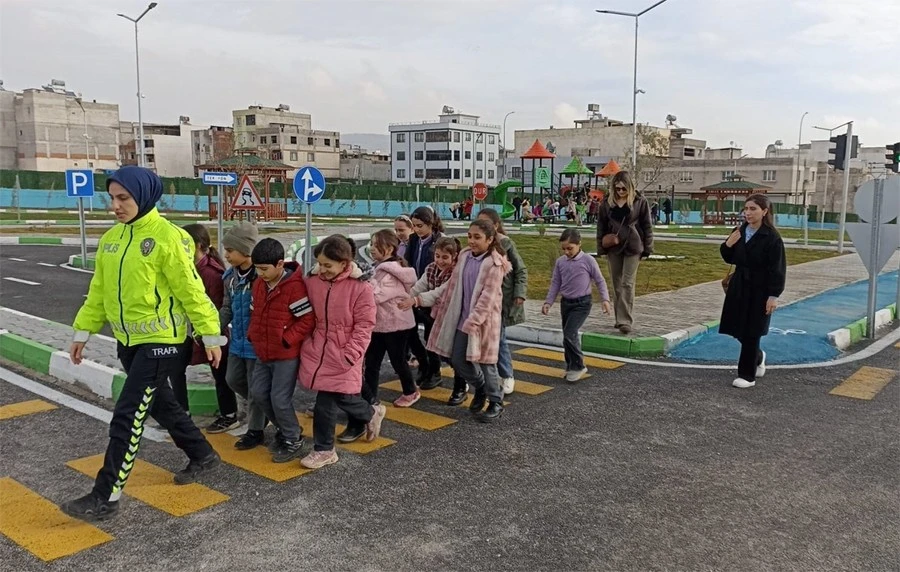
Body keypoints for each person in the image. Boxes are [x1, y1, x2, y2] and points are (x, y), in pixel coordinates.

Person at [62, 166, 225, 522]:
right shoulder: (112, 239)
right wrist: (82, 331)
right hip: (128, 341)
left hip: (163, 341)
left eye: (123, 198)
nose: (115, 206)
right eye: (112, 198)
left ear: (144, 196)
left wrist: (210, 334)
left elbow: (191, 290)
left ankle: (105, 497)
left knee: (128, 412)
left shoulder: (168, 237)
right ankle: (203, 454)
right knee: (161, 406)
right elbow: (99, 291)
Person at [299, 235, 386, 469]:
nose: (322, 269)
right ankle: (370, 413)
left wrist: (351, 353)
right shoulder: (312, 282)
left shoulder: (361, 288)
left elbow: (365, 325)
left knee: (325, 401)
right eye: (319, 264)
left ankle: (324, 450)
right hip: (318, 348)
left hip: (344, 351)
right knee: (341, 395)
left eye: (328, 265)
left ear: (344, 263)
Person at [427, 220, 510, 422]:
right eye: (470, 236)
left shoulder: (495, 263)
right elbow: (452, 286)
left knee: (487, 362)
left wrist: (474, 321)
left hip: (483, 322)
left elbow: (488, 297)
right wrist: (426, 299)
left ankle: (496, 401)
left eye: (477, 237)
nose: (472, 241)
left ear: (489, 239)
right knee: (457, 360)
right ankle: (481, 387)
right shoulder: (464, 256)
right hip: (462, 318)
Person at [246, 238, 315, 463]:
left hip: (285, 355)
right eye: (257, 269)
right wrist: (252, 335)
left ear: (279, 264)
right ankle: (286, 429)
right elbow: (255, 312)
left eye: (264, 269)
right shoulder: (259, 284)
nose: (260, 273)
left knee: (279, 399)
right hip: (263, 352)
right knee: (258, 393)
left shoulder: (294, 287)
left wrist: (287, 340)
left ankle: (292, 438)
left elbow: (307, 320)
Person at [719, 194, 786, 389]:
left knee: (752, 331)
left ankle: (747, 375)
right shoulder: (740, 231)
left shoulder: (772, 237)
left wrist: (773, 296)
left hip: (760, 289)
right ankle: (758, 356)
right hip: (739, 285)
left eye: (753, 209)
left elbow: (778, 269)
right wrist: (728, 244)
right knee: (736, 327)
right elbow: (729, 257)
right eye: (746, 209)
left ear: (764, 211)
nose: (747, 213)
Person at [181, 223, 238, 433]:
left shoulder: (211, 273)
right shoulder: (193, 268)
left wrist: (209, 334)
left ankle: (229, 415)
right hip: (197, 333)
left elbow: (218, 309)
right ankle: (182, 412)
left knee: (220, 375)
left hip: (213, 334)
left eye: (183, 243)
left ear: (197, 245)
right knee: (178, 369)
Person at [219, 222, 267, 450]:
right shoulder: (230, 277)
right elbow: (226, 307)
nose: (226, 255)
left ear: (246, 251)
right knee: (232, 379)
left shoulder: (261, 276)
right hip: (237, 341)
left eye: (230, 250)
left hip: (256, 344)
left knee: (256, 388)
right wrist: (213, 328)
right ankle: (263, 409)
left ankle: (255, 430)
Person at [542, 229, 612, 382]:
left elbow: (600, 280)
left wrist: (605, 300)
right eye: (564, 249)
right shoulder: (560, 262)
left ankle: (579, 365)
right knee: (567, 337)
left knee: (570, 333)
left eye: (570, 248)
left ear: (579, 244)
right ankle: (570, 365)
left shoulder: (588, 260)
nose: (567, 252)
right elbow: (556, 283)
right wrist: (548, 302)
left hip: (582, 303)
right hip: (566, 303)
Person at [362, 230, 418, 416]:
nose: (371, 248)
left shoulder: (391, 272)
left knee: (397, 361)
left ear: (388, 248)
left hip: (396, 324)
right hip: (380, 324)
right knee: (372, 363)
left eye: (375, 245)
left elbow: (375, 296)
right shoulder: (378, 267)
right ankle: (370, 399)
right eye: (371, 244)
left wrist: (364, 282)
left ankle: (411, 391)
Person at [476, 208, 527, 395]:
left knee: (499, 339)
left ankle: (507, 375)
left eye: (486, 223)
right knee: (482, 339)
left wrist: (519, 293)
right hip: (483, 299)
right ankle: (487, 376)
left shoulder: (505, 244)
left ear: (496, 225)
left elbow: (521, 270)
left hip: (501, 300)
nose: (481, 227)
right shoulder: (479, 243)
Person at [596, 171, 653, 335]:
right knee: (617, 283)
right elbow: (601, 226)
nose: (620, 192)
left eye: (623, 189)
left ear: (630, 187)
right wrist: (601, 248)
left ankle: (625, 320)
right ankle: (619, 318)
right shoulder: (607, 203)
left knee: (627, 283)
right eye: (617, 188)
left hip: (633, 246)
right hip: (613, 246)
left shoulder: (640, 201)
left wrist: (647, 249)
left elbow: (647, 226)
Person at [404, 206, 445, 389]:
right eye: (414, 226)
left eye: (420, 225)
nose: (417, 229)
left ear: (430, 224)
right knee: (409, 332)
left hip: (432, 295)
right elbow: (408, 263)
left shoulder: (440, 240)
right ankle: (424, 364)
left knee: (430, 337)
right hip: (414, 291)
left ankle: (435, 372)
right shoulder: (414, 239)